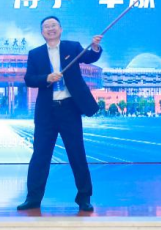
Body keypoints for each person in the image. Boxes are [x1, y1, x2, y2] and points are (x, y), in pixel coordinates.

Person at [18, 16, 103, 212]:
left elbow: (90, 58)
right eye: (46, 27)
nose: (50, 29)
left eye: (53, 25)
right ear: (42, 32)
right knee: (40, 155)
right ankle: (33, 198)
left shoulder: (72, 47)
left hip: (69, 108)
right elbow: (29, 79)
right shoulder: (35, 54)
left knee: (77, 153)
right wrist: (47, 78)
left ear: (61, 29)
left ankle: (84, 198)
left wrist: (95, 47)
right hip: (46, 111)